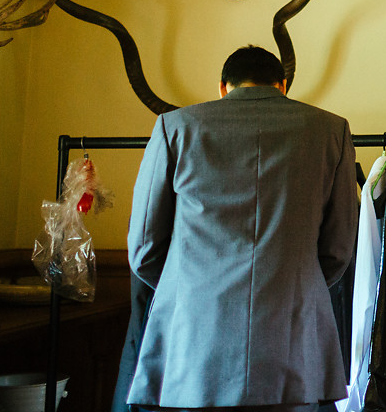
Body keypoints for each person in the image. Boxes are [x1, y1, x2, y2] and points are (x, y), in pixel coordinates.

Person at [126, 45, 357, 412]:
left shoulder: (176, 127)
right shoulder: (331, 130)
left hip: (196, 335)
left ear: (222, 87)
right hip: (293, 330)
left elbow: (143, 248)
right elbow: (339, 247)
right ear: (282, 86)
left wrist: (189, 287)